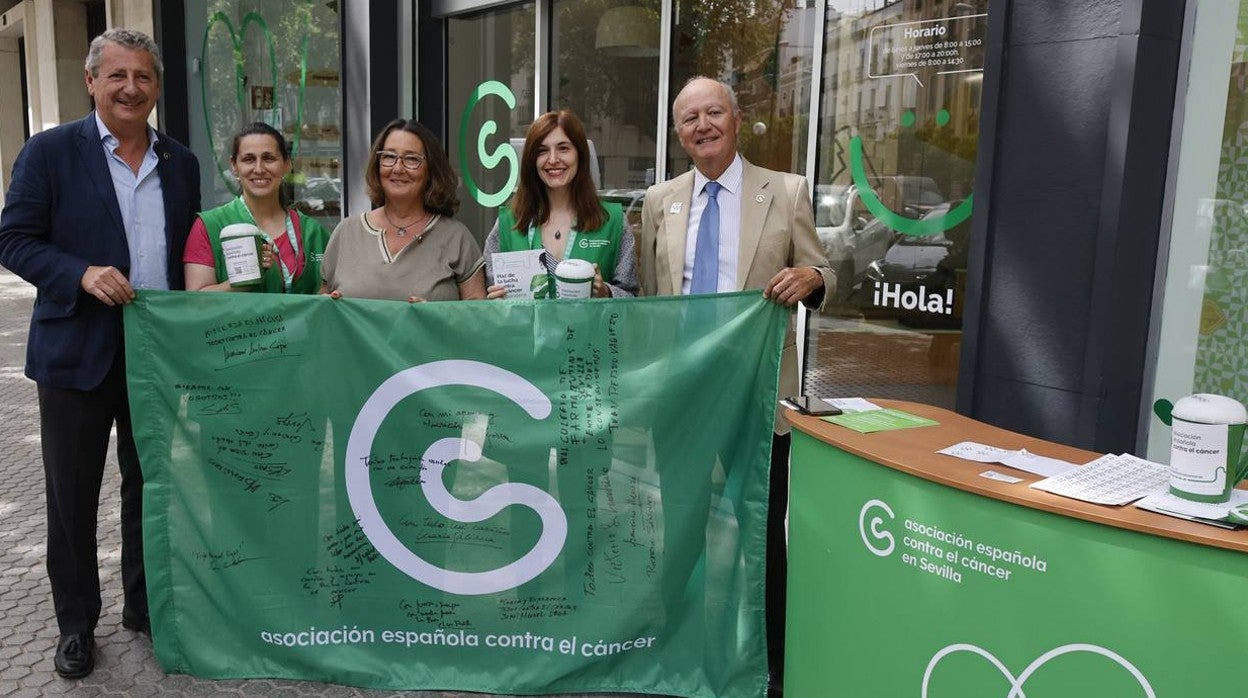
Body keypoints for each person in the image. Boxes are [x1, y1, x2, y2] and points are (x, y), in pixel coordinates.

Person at [0, 28, 200, 679]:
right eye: (116, 76)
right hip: (74, 354)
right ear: (91, 81)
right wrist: (81, 273)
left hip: (157, 358)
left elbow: (190, 256)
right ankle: (76, 624)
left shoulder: (181, 161)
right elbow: (15, 240)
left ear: (157, 87)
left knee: (150, 489)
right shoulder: (51, 152)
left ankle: (144, 607)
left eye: (142, 77)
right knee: (72, 496)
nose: (130, 88)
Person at [638, 76, 834, 696]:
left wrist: (811, 277)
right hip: (685, 395)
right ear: (678, 133)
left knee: (761, 532)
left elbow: (824, 270)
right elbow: (650, 302)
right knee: (681, 527)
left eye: (713, 112)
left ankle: (770, 661)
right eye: (689, 118)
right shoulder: (657, 201)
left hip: (758, 394)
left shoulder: (786, 190)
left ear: (737, 117)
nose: (702, 125)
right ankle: (676, 646)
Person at [321, 118, 485, 301]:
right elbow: (320, 313)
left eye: (411, 159)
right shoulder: (346, 233)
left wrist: (437, 316)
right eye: (389, 156)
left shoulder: (457, 238)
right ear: (377, 164)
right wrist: (330, 306)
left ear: (430, 170)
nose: (398, 168)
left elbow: (478, 317)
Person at [484, 110, 637, 298]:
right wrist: (495, 301)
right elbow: (487, 298)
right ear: (532, 161)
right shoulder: (508, 223)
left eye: (563, 148)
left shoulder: (612, 220)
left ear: (580, 154)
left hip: (589, 328)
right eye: (542, 151)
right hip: (525, 328)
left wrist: (606, 292)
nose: (553, 159)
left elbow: (632, 298)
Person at [183, 122, 329, 293]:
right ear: (234, 166)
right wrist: (244, 279)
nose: (259, 169)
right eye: (248, 159)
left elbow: (327, 293)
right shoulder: (209, 226)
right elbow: (196, 301)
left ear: (287, 165)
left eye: (269, 158)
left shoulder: (313, 232)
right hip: (239, 321)